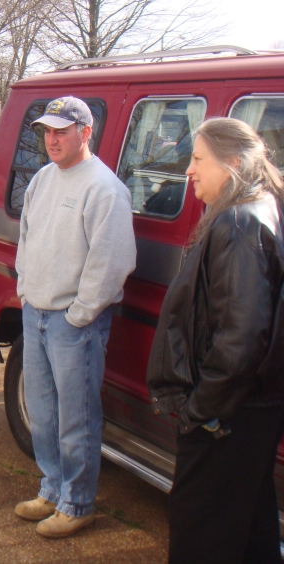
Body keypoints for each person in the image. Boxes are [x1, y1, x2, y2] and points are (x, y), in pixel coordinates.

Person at [147, 118, 284, 563]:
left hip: (228, 416)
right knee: (249, 526)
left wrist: (199, 411)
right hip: (252, 410)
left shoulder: (239, 222)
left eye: (198, 158)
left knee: (200, 532)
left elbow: (241, 338)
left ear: (234, 164)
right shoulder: (261, 207)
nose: (188, 169)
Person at [14, 96, 136, 538]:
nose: (52, 139)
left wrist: (80, 314)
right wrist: (25, 290)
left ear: (85, 133)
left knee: (76, 418)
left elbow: (112, 261)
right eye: (47, 131)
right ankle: (52, 489)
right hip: (36, 314)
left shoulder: (105, 188)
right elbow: (26, 238)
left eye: (61, 132)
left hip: (73, 323)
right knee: (43, 413)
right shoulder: (42, 179)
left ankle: (78, 503)